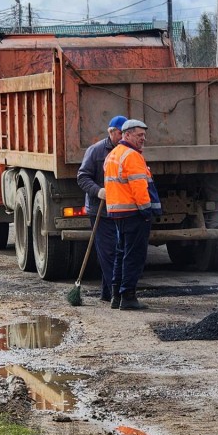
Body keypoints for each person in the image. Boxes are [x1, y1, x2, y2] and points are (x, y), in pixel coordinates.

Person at [104, 119, 161, 311]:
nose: (143, 139)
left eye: (144, 135)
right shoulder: (132, 156)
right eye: (139, 135)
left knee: (122, 254)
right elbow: (139, 188)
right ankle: (128, 297)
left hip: (118, 212)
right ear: (126, 135)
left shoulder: (113, 154)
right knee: (134, 256)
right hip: (133, 213)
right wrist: (146, 211)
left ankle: (116, 296)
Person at [76, 114, 127, 303]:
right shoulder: (96, 151)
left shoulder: (127, 152)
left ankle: (108, 293)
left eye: (126, 133)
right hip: (101, 210)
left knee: (118, 250)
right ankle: (116, 292)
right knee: (108, 252)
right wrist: (98, 191)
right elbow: (82, 177)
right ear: (111, 132)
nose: (124, 137)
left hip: (122, 210)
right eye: (121, 133)